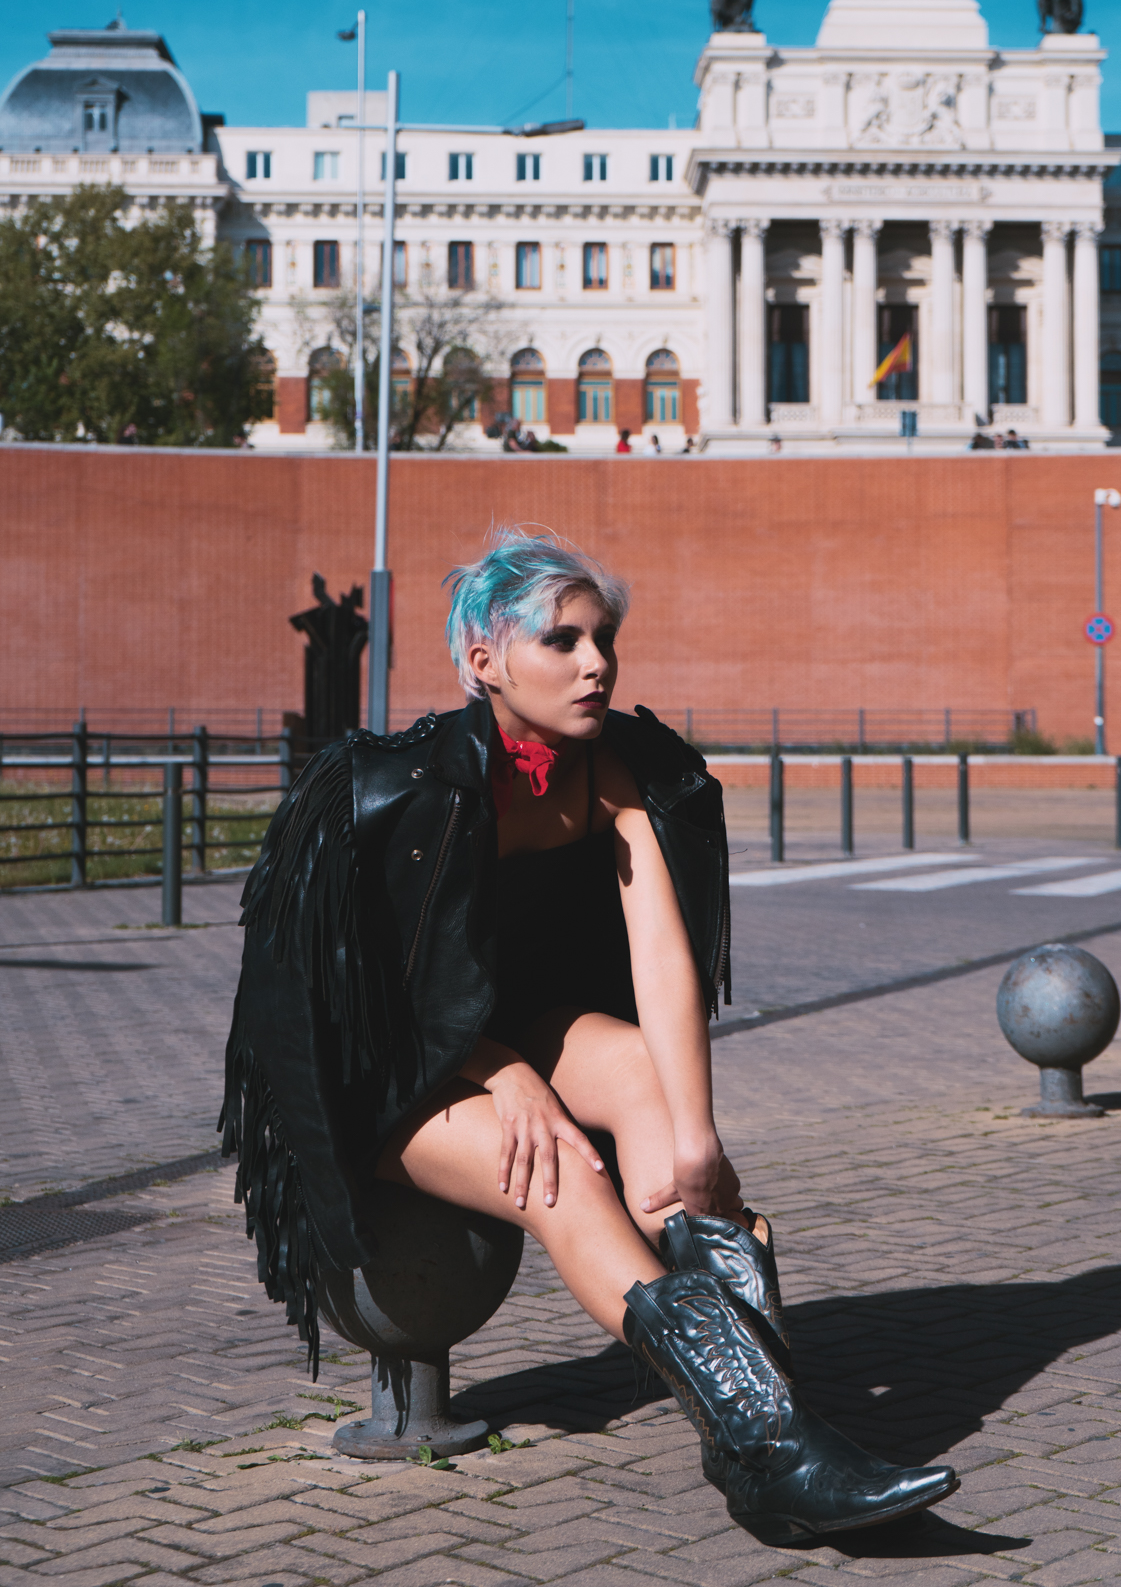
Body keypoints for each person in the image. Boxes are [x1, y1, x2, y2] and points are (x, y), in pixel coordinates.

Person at [220, 532, 956, 1546]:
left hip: (512, 1043)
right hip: (380, 1081)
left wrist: (695, 1143)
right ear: (483, 661)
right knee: (559, 1164)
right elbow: (361, 1006)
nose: (596, 662)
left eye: (602, 638)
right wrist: (502, 1071)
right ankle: (776, 1449)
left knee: (645, 1079)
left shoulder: (622, 772)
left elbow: (662, 957)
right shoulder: (395, 793)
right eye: (560, 640)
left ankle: (770, 1446)